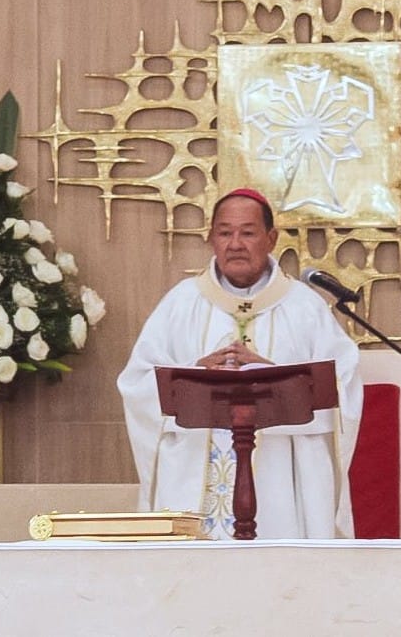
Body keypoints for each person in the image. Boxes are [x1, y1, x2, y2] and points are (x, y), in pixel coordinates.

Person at [117, 188, 363, 539]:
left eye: (247, 232)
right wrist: (195, 373)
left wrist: (277, 375)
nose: (235, 243)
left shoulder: (303, 307)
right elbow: (137, 383)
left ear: (271, 239)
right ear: (210, 238)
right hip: (190, 476)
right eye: (224, 232)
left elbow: (341, 384)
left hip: (280, 483)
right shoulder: (180, 304)